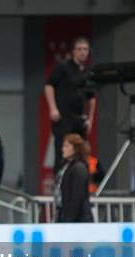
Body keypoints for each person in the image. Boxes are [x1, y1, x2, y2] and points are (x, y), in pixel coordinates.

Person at [44, 36, 96, 172]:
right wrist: (52, 108)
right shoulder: (63, 67)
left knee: (81, 152)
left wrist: (90, 119)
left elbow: (92, 98)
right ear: (73, 51)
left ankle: (79, 182)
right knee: (61, 152)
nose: (83, 52)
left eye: (85, 49)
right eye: (79, 49)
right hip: (63, 118)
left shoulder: (87, 72)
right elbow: (49, 86)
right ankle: (59, 186)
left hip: (79, 119)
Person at [54, 133, 93, 223]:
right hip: (64, 212)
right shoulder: (66, 166)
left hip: (78, 218)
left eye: (66, 146)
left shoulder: (79, 168)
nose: (63, 149)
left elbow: (77, 197)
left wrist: (69, 220)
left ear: (75, 149)